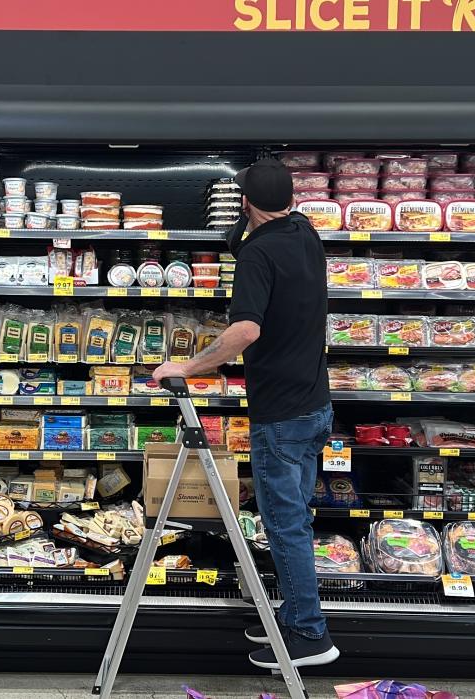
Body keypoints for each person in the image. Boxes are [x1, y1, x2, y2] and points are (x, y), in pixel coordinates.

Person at [153, 157, 335, 669]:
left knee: (285, 523)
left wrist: (189, 365)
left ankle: (309, 635)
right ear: (293, 200)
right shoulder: (305, 234)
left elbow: (246, 331)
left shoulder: (257, 255)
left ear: (246, 204)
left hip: (280, 413)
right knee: (294, 516)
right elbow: (256, 234)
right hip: (315, 404)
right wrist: (250, 225)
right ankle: (296, 613)